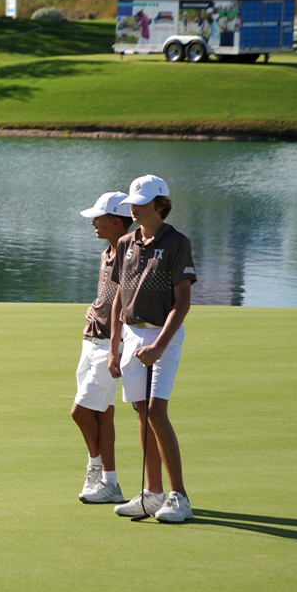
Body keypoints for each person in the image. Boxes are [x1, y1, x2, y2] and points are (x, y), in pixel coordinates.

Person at [107, 174, 197, 523]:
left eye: (142, 205)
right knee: (142, 415)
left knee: (157, 413)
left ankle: (179, 497)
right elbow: (119, 297)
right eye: (132, 204)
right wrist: (114, 346)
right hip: (131, 336)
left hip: (163, 336)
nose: (135, 210)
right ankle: (152, 494)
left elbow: (183, 302)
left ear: (161, 205)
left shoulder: (177, 243)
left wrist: (159, 346)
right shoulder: (127, 242)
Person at [72, 191, 132, 506]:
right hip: (91, 337)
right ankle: (110, 483)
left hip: (112, 344)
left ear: (116, 220)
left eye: (99, 217)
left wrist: (115, 348)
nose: (93, 222)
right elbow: (109, 295)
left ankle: (95, 469)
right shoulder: (108, 252)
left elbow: (130, 301)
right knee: (103, 415)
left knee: (80, 412)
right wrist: (95, 308)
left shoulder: (131, 252)